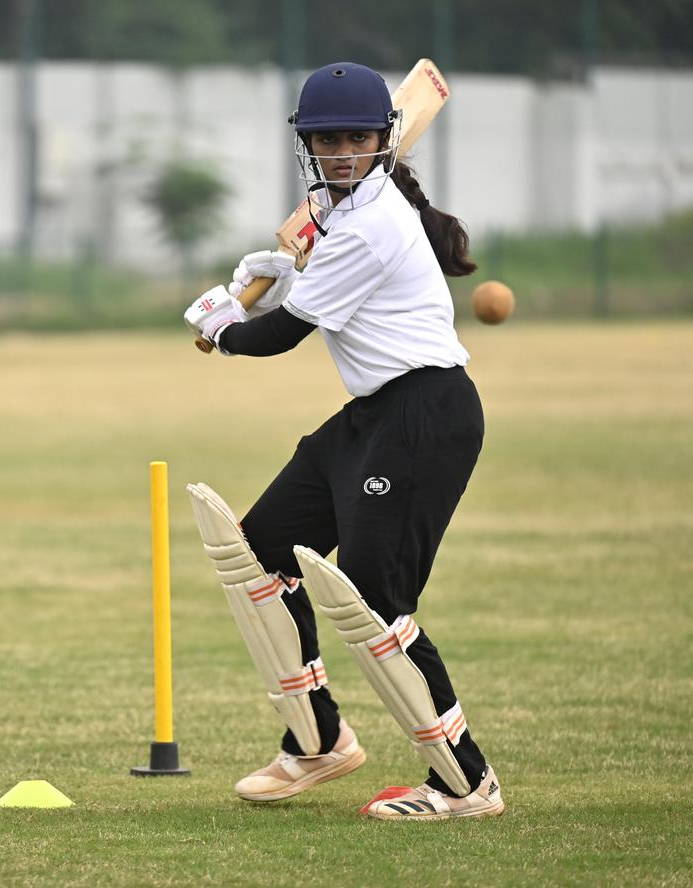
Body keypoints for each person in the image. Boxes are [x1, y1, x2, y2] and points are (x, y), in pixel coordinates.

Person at [183, 62, 504, 821]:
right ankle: (318, 742)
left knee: (373, 598)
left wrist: (220, 326)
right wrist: (283, 274)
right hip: (373, 414)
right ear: (308, 147)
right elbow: (328, 292)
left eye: (356, 139)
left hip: (426, 414)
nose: (339, 153)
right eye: (325, 141)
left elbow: (279, 339)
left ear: (382, 141)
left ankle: (467, 783)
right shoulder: (343, 215)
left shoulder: (370, 223)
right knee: (259, 552)